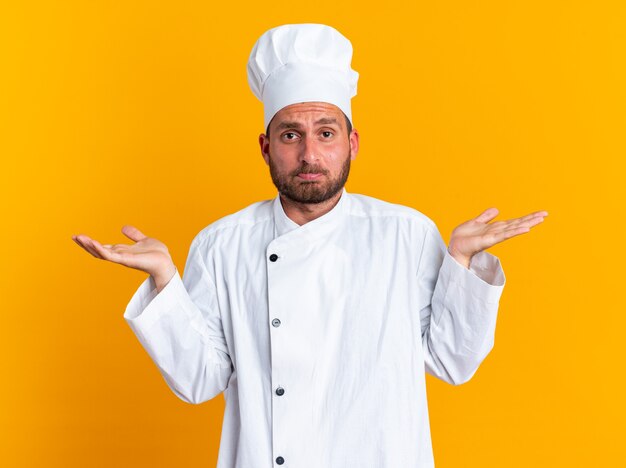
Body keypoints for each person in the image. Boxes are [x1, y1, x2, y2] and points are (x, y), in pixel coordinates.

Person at [72, 23, 548, 468]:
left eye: (325, 133)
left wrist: (462, 263)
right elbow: (200, 381)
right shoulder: (222, 245)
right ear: (265, 147)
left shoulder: (405, 234)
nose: (309, 155)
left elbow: (452, 361)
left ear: (352, 143)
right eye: (290, 135)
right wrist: (164, 282)